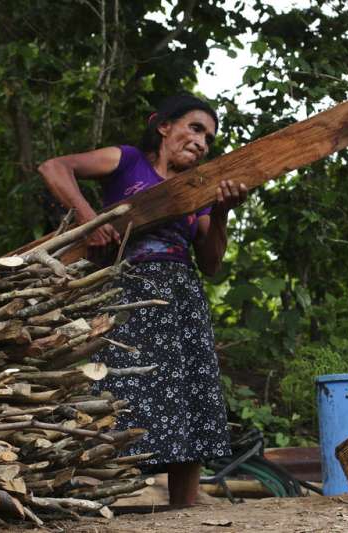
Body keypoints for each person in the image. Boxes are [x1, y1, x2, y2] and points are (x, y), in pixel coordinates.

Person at [38, 93, 247, 505]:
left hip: (182, 296)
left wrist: (221, 212)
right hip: (129, 291)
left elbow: (211, 263)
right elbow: (54, 167)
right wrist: (89, 220)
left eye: (209, 138)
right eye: (195, 128)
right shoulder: (128, 159)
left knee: (189, 390)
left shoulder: (199, 187)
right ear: (163, 126)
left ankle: (185, 507)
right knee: (121, 388)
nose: (202, 142)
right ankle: (104, 498)